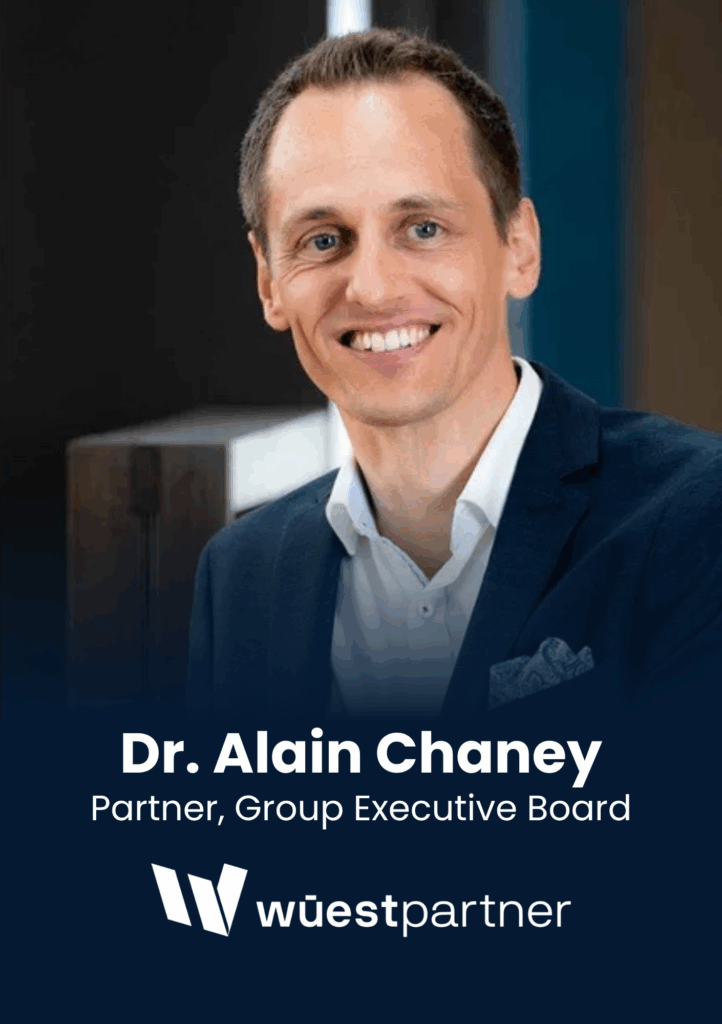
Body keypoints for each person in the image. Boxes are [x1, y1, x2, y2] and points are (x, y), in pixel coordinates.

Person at [187, 28, 722, 721]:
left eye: (423, 228)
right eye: (323, 240)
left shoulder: (697, 518)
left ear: (519, 249)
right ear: (270, 283)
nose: (372, 288)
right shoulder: (239, 580)